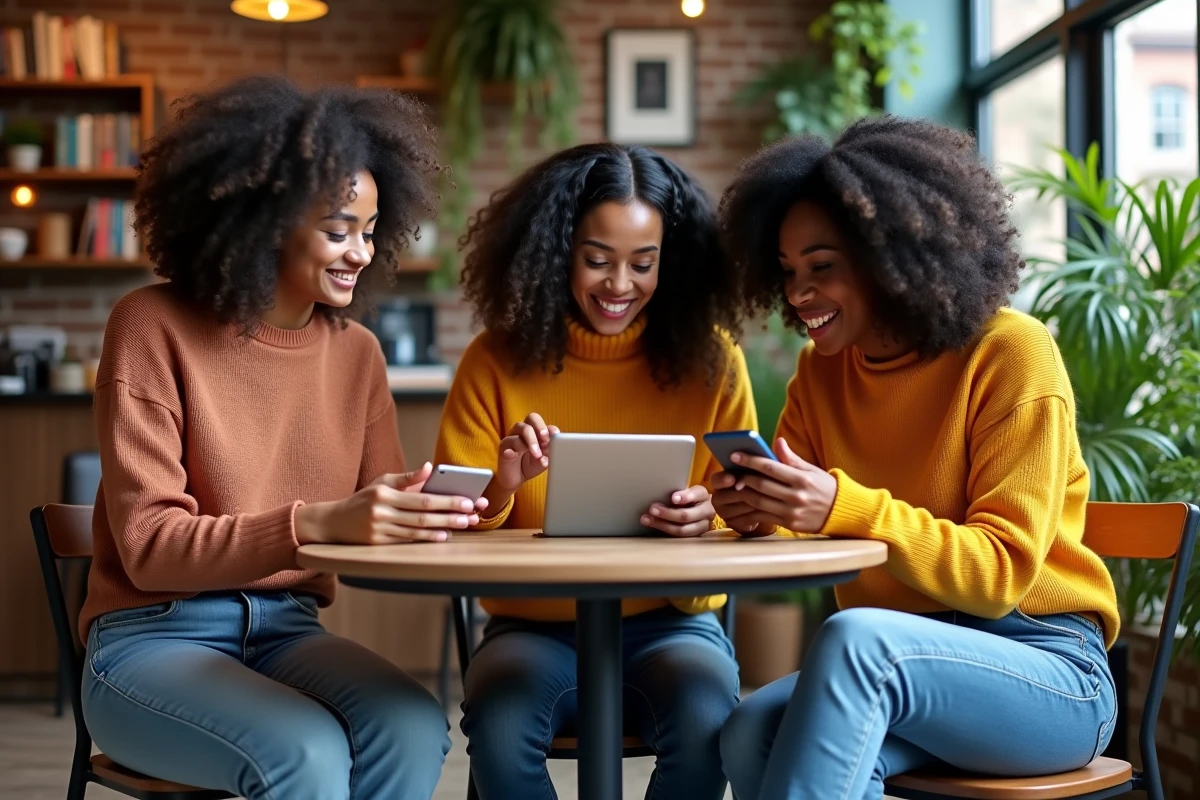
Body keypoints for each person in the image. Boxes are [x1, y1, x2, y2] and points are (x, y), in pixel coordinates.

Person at [79, 75, 478, 800]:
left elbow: (377, 523)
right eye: (337, 229)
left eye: (368, 229)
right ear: (263, 219)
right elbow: (149, 546)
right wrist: (317, 522)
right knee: (307, 753)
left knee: (414, 726)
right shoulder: (149, 326)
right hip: (150, 639)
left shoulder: (357, 353)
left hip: (287, 631)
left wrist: (453, 502)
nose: (360, 251)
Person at [713, 117, 1120, 800]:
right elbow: (800, 519)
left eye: (822, 268)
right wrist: (759, 511)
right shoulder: (821, 375)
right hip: (909, 664)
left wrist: (839, 505)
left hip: (1048, 669)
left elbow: (999, 577)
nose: (797, 295)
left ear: (889, 254)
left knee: (855, 642)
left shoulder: (1009, 354)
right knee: (752, 727)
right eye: (786, 273)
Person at [434, 142, 755, 800]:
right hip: (532, 629)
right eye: (596, 260)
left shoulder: (714, 364)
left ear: (675, 261)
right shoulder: (493, 361)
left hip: (673, 626)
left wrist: (709, 519)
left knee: (707, 727)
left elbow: (750, 511)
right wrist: (503, 484)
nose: (619, 285)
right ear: (556, 252)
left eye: (644, 263)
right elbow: (445, 524)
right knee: (497, 731)